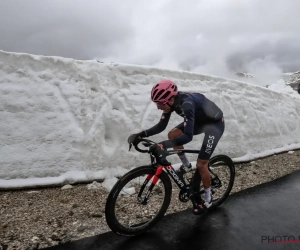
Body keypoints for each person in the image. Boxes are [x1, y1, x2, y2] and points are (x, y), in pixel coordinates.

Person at [128, 79, 225, 214]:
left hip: (214, 125)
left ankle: (208, 199)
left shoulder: (186, 104)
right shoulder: (171, 102)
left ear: (170, 100)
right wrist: (140, 135)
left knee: (202, 164)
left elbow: (187, 137)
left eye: (160, 104)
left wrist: (162, 145)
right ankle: (186, 165)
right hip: (199, 121)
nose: (158, 107)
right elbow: (161, 126)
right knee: (172, 135)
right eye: (157, 104)